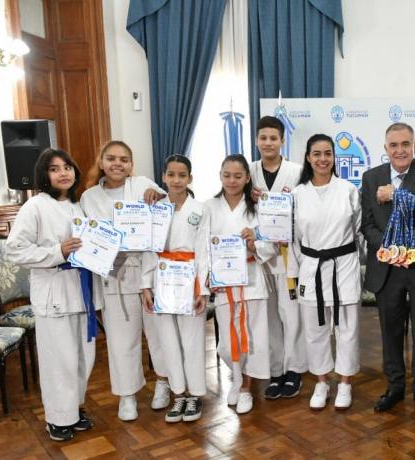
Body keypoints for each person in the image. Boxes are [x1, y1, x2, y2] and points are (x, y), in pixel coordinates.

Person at [6, 149, 95, 441]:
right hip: (54, 292)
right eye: (55, 169)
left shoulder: (78, 206)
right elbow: (14, 250)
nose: (63, 173)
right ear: (44, 175)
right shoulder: (35, 206)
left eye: (67, 166)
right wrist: (58, 251)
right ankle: (57, 418)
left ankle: (74, 410)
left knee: (83, 356)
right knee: (59, 359)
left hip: (81, 291)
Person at [361, 122, 415, 416]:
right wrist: (388, 248)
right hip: (387, 268)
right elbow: (367, 225)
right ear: (385, 149)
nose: (400, 150)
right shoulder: (371, 178)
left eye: (405, 144)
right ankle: (395, 387)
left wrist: (398, 196)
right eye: (394, 145)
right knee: (390, 332)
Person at [80, 140, 168, 421]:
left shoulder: (143, 184)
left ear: (131, 165)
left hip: (148, 270)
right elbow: (86, 237)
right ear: (101, 162)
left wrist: (158, 195)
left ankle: (164, 383)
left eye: (124, 159)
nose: (118, 163)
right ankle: (127, 395)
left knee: (158, 333)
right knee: (121, 339)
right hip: (114, 275)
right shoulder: (89, 197)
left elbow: (167, 211)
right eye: (112, 158)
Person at [288, 134, 363, 410]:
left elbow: (358, 230)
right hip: (312, 267)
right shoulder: (297, 195)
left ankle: (344, 382)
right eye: (316, 153)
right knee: (315, 330)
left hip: (343, 265)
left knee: (347, 328)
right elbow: (293, 238)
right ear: (308, 158)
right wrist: (299, 270)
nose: (322, 159)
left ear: (334, 157)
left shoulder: (347, 190)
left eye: (327, 153)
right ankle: (321, 381)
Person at [205, 154, 277, 414]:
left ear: (247, 178)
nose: (232, 180)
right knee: (227, 341)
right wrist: (207, 276)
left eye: (238, 176)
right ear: (220, 176)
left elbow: (271, 245)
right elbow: (202, 247)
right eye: (227, 175)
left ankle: (246, 386)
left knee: (254, 335)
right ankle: (236, 375)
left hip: (252, 278)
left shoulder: (258, 207)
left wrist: (253, 243)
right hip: (224, 282)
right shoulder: (209, 207)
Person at [140, 155, 210, 423]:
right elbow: (150, 249)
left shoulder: (200, 210)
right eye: (172, 175)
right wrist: (146, 285)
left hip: (189, 279)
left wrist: (202, 289)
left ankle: (194, 395)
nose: (177, 180)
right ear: (164, 177)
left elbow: (204, 251)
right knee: (168, 340)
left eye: (182, 175)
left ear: (190, 179)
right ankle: (178, 394)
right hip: (162, 280)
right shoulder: (156, 210)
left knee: (191, 341)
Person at [249, 116, 308, 399]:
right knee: (269, 317)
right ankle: (276, 371)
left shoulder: (296, 172)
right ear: (257, 140)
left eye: (274, 138)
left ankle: (295, 369)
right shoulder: (248, 172)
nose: (268, 143)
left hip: (287, 255)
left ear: (282, 141)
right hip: (260, 257)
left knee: (292, 314)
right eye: (264, 138)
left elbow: (305, 210)